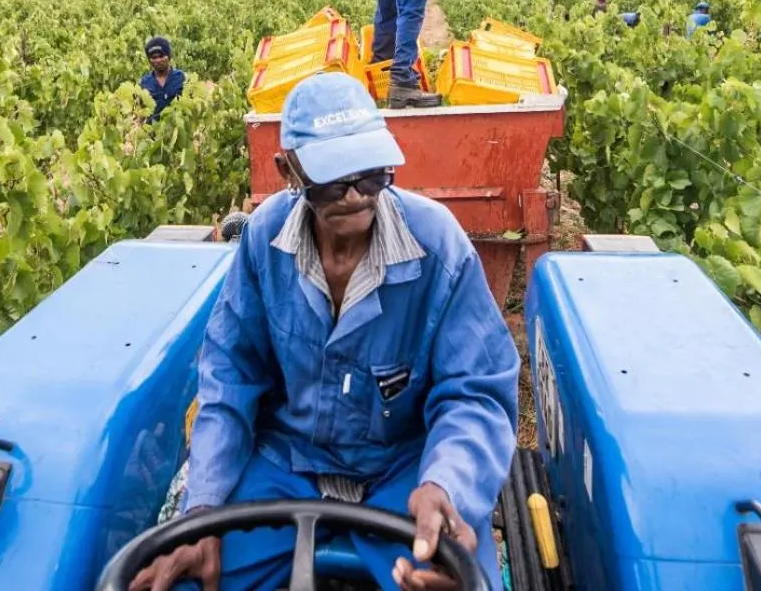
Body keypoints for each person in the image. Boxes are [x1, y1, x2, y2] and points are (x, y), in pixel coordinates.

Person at [131, 72, 518, 591]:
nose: (358, 196)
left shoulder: (439, 247)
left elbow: (474, 393)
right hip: (287, 462)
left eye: (373, 175)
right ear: (287, 170)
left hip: (401, 469)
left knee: (456, 579)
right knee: (187, 574)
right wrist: (201, 507)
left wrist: (445, 482)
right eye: (335, 181)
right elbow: (229, 377)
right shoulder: (265, 240)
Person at [139, 36, 186, 121]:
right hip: (151, 132)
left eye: (161, 56)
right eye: (154, 57)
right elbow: (140, 112)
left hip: (177, 130)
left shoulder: (181, 78)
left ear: (168, 56)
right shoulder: (144, 83)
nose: (158, 60)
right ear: (149, 60)